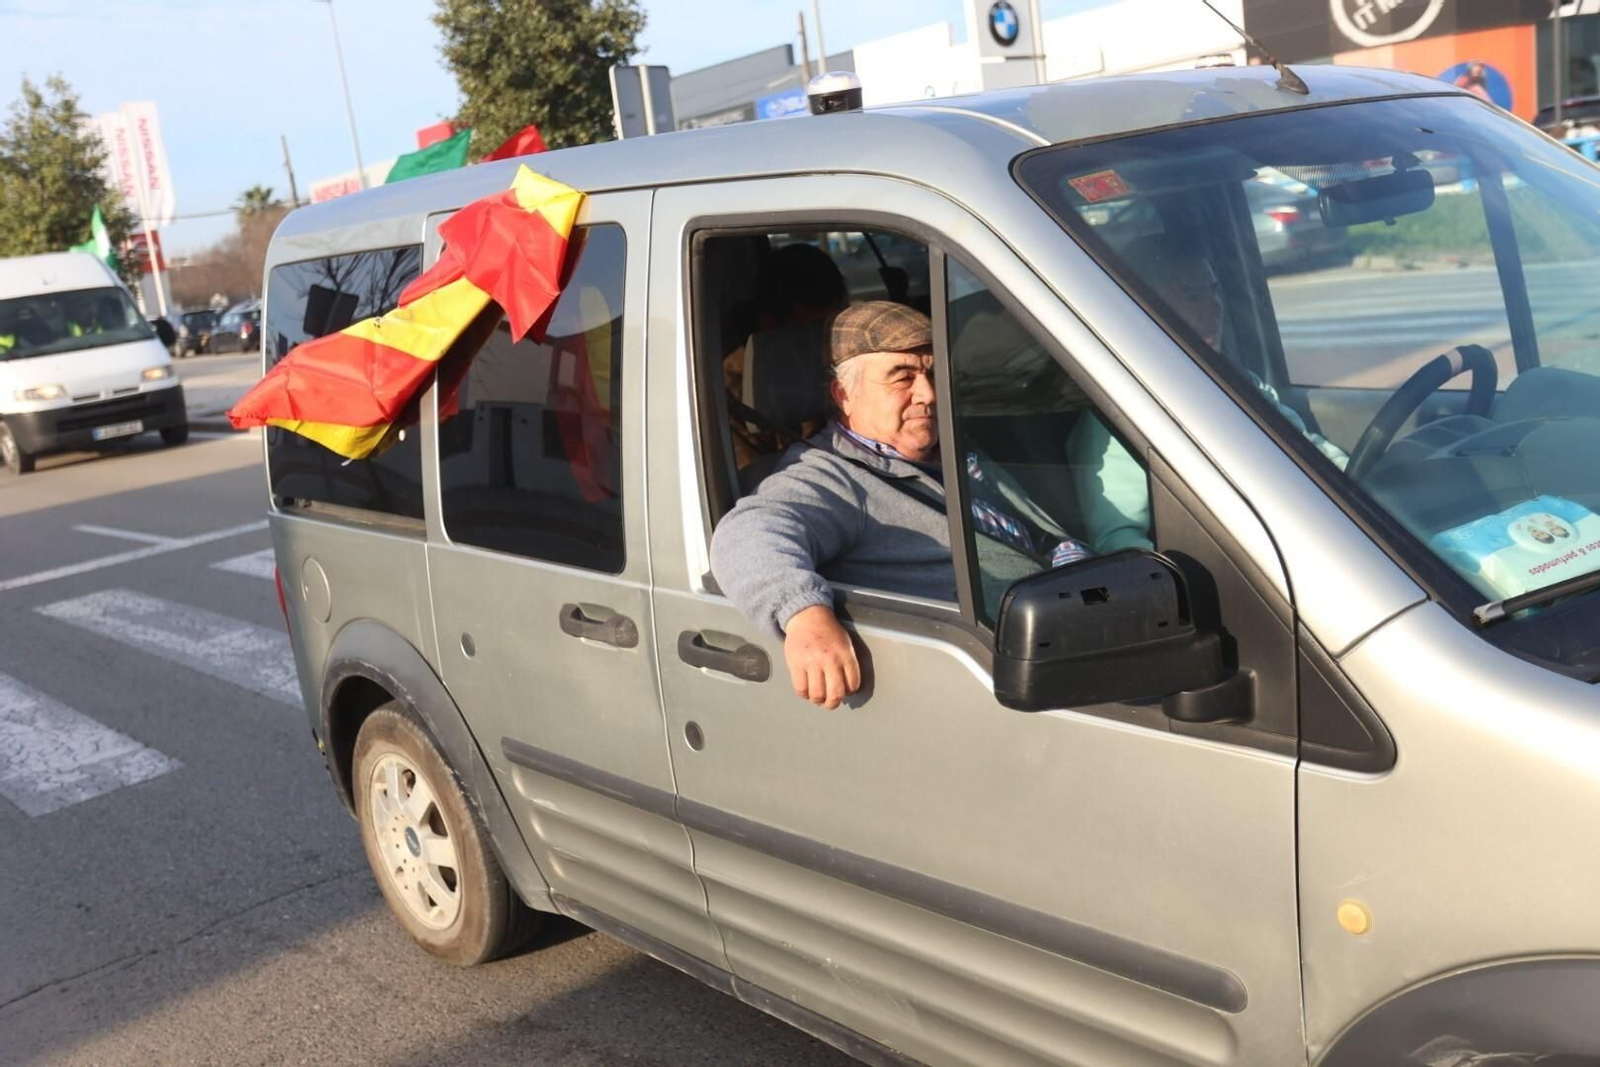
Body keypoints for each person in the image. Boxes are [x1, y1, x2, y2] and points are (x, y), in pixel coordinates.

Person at [711, 301, 1091, 709]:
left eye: (930, 373)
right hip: (1001, 680)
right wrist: (803, 615)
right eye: (902, 377)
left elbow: (1040, 535)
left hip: (1070, 633)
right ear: (845, 395)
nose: (927, 394)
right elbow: (748, 530)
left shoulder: (952, 449)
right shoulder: (829, 477)